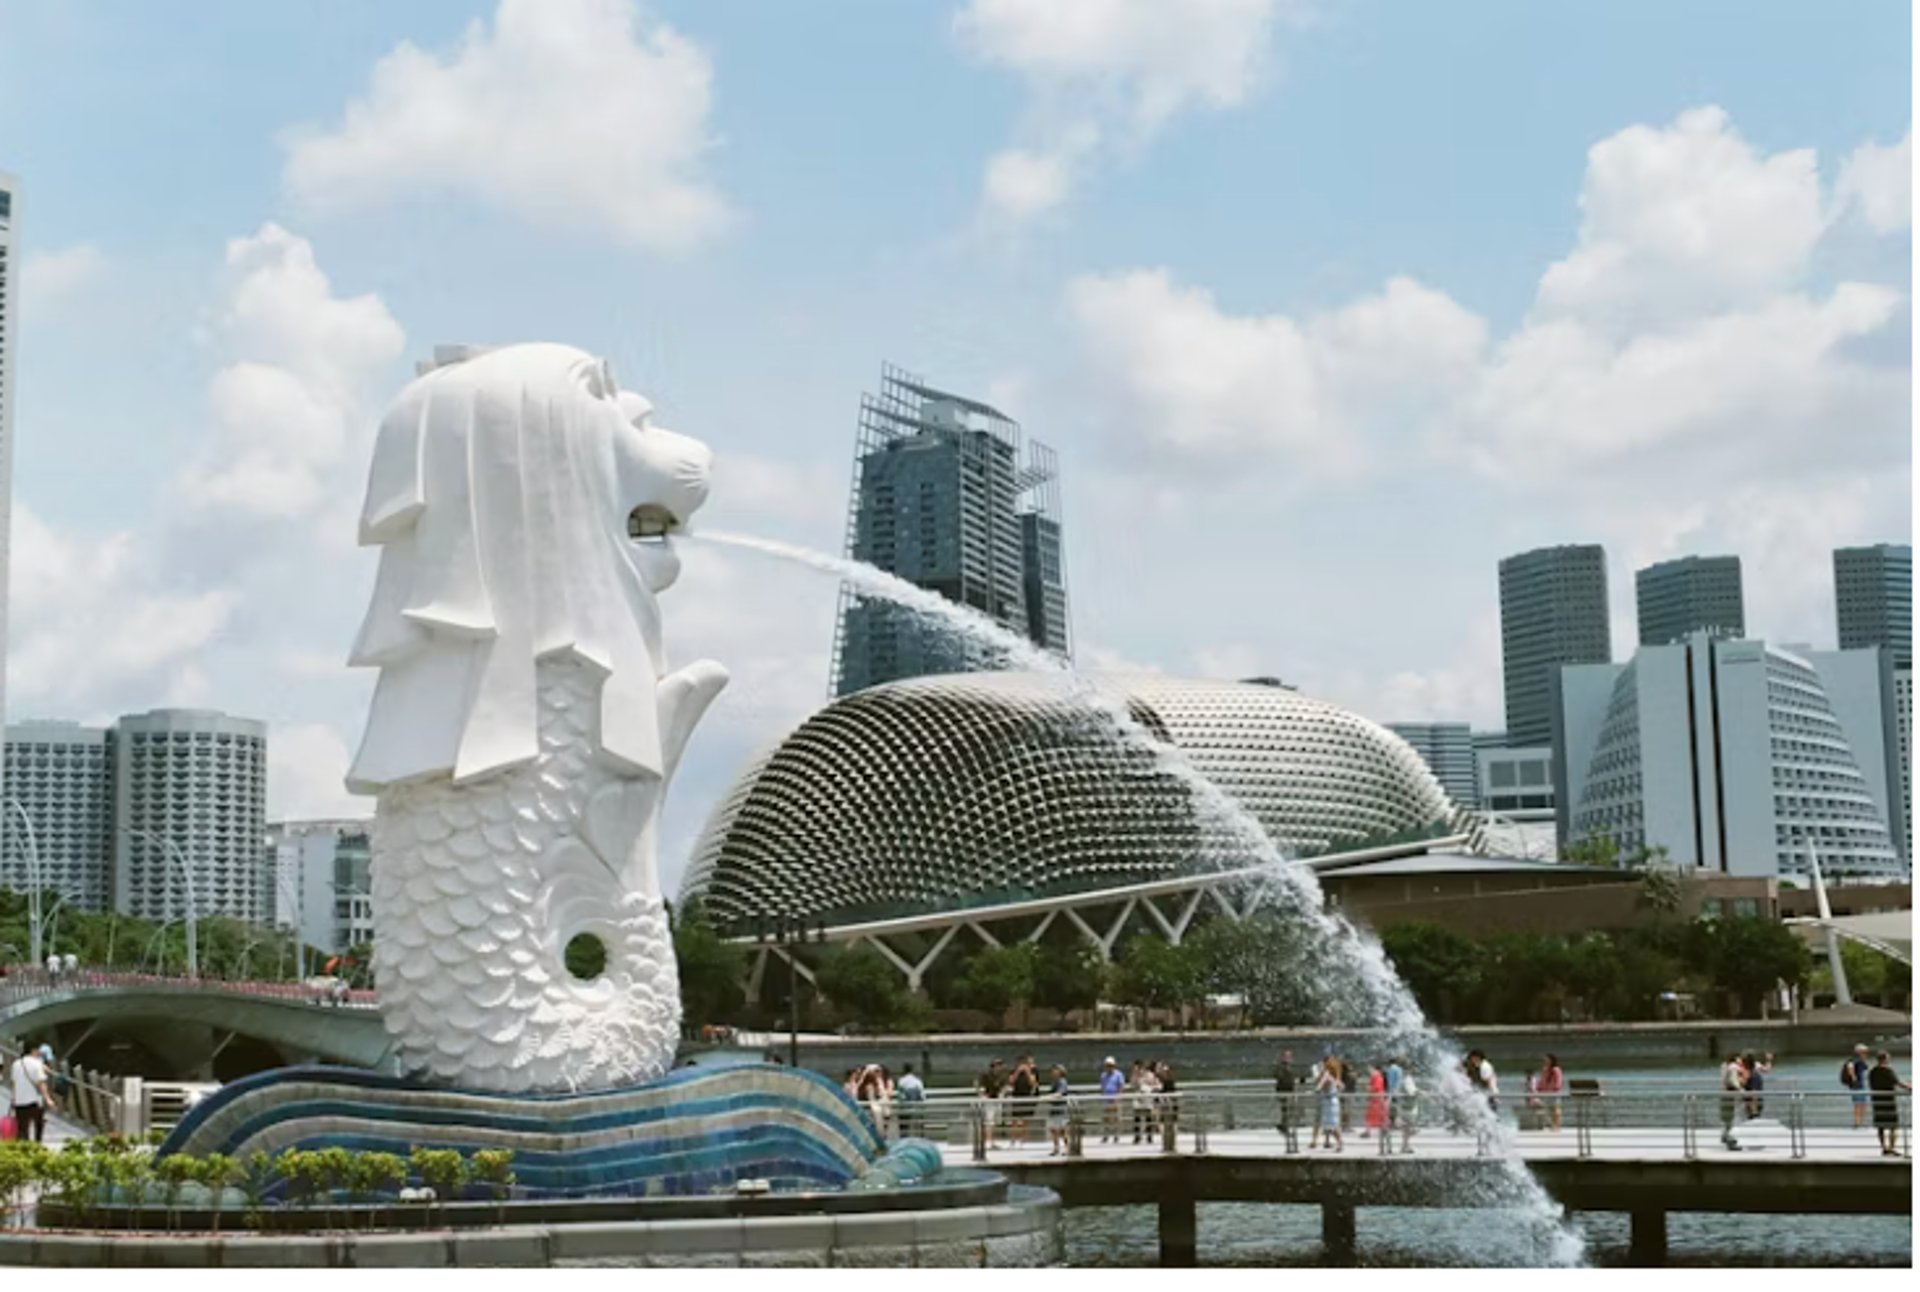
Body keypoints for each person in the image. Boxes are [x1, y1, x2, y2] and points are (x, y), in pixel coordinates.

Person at [7, 1042, 55, 1143]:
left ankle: (24, 1147)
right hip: (34, 1101)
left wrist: (14, 1098)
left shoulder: (16, 1064)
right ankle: (37, 1145)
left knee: (22, 1128)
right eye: (38, 1050)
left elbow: (14, 1083)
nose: (39, 1053)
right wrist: (48, 1099)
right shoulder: (36, 1064)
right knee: (39, 1124)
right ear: (33, 1050)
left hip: (20, 1101)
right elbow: (41, 1083)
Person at [1866, 1051, 1910, 1157]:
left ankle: (1884, 1148)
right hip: (1889, 1101)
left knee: (1880, 1126)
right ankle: (1891, 1148)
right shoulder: (1888, 1070)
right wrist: (1910, 1087)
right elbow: (1897, 1082)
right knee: (1893, 1126)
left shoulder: (1872, 1071)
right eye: (1888, 1058)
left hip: (1877, 1100)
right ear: (1885, 1059)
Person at [975, 1059, 1009, 1147]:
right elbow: (978, 1085)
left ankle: (992, 1140)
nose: (999, 1067)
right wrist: (982, 1095)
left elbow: (1005, 1086)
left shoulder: (1002, 1075)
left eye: (1000, 1065)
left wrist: (1002, 1093)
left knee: (994, 1121)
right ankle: (988, 1141)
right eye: (997, 1065)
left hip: (997, 1100)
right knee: (989, 1121)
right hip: (988, 1100)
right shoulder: (986, 1074)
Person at [1008, 1054, 1039, 1148]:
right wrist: (1018, 1071)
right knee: (1014, 1120)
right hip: (1017, 1097)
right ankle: (1013, 1140)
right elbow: (1011, 1081)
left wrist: (1027, 1071)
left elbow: (1032, 1082)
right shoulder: (1014, 1070)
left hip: (1027, 1097)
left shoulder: (1033, 1070)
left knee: (1025, 1120)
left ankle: (1023, 1140)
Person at [1719, 1052, 1748, 1150]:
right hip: (1731, 1095)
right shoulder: (1734, 1067)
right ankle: (1731, 1141)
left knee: (1727, 1117)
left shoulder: (1724, 1065)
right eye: (1739, 1058)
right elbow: (1733, 1080)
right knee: (1733, 1118)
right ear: (1736, 1058)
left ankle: (1725, 1135)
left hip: (1724, 1093)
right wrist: (1740, 1089)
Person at [1315, 1056, 1344, 1152]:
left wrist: (1319, 1078)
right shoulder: (1334, 1076)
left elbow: (1319, 1087)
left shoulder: (1327, 1075)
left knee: (1332, 1125)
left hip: (1328, 1102)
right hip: (1334, 1100)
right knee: (1333, 1124)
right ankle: (1334, 1142)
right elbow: (1342, 1086)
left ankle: (1340, 1143)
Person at [1274, 1050, 1300, 1153]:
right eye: (1287, 1056)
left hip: (1290, 1092)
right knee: (1285, 1110)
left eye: (1289, 1056)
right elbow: (1280, 1078)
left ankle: (1284, 1126)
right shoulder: (1280, 1067)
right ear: (1283, 1057)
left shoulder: (1290, 1067)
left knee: (1289, 1111)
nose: (1289, 1058)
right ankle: (1284, 1127)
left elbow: (1292, 1079)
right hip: (1284, 1092)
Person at [1842, 1044, 1872, 1129]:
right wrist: (1853, 1076)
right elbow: (1850, 1066)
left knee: (1862, 1104)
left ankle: (1860, 1122)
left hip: (1860, 1085)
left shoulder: (1861, 1061)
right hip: (1857, 1086)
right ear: (1859, 1052)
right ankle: (1857, 1123)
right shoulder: (1855, 1060)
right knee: (1858, 1104)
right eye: (1864, 1052)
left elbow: (1868, 1069)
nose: (1866, 1054)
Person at [1045, 1064, 1072, 1156]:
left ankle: (1067, 1148)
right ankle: (1056, 1148)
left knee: (1062, 1130)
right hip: (1053, 1108)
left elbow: (1060, 1093)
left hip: (1061, 1109)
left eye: (1055, 1070)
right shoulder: (1054, 1082)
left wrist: (1049, 1097)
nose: (1053, 1072)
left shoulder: (1062, 1081)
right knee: (1053, 1129)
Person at [1098, 1057, 1126, 1143]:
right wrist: (1103, 1096)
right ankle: (1105, 1135)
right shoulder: (1103, 1075)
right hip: (1106, 1099)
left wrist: (1117, 1097)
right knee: (1105, 1118)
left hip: (1115, 1099)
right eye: (1107, 1065)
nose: (1109, 1067)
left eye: (1111, 1065)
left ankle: (1116, 1135)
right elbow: (1102, 1086)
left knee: (1116, 1118)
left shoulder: (1119, 1074)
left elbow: (1121, 1086)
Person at [1131, 1060, 1160, 1144]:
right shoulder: (1135, 1076)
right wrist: (1135, 1076)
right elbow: (1132, 1085)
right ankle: (1137, 1136)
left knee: (1148, 1118)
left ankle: (1149, 1136)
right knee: (1137, 1118)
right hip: (1138, 1099)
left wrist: (1151, 1089)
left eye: (1139, 1067)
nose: (1138, 1069)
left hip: (1147, 1098)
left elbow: (1156, 1084)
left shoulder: (1149, 1075)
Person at [1535, 1053, 1565, 1132]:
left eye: (1547, 1060)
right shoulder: (1545, 1069)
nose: (1545, 1061)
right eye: (1544, 1060)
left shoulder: (1556, 1069)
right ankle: (1552, 1125)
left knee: (1555, 1109)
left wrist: (1556, 1088)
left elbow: (1559, 1080)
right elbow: (1542, 1079)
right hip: (1546, 1093)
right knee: (1547, 1109)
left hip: (1554, 1093)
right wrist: (1539, 1088)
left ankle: (1556, 1126)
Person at [896, 1062, 925, 1138]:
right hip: (916, 1108)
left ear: (904, 1070)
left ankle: (903, 1137)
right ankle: (921, 1136)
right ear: (912, 1070)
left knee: (902, 1120)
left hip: (905, 1108)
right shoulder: (917, 1081)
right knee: (920, 1118)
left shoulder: (901, 1081)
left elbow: (900, 1097)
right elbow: (922, 1096)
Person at [1363, 1061, 1387, 1138]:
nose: (1368, 1070)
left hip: (1375, 1099)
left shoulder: (1375, 1076)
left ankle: (1368, 1132)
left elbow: (1375, 1087)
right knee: (1381, 1115)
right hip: (1379, 1098)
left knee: (1370, 1116)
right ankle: (1383, 1130)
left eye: (1369, 1068)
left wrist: (1369, 1088)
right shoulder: (1379, 1076)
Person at [1157, 1061, 1180, 1143]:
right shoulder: (1166, 1081)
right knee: (1166, 1122)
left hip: (1169, 1104)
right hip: (1168, 1104)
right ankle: (1168, 1140)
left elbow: (1164, 1092)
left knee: (1168, 1122)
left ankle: (1169, 1140)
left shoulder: (1168, 1082)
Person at [1741, 1051, 1768, 1121]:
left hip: (1753, 1106)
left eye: (1743, 1062)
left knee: (1752, 1120)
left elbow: (1754, 1092)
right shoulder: (1751, 1074)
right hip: (1750, 1104)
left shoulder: (1753, 1075)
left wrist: (1754, 1109)